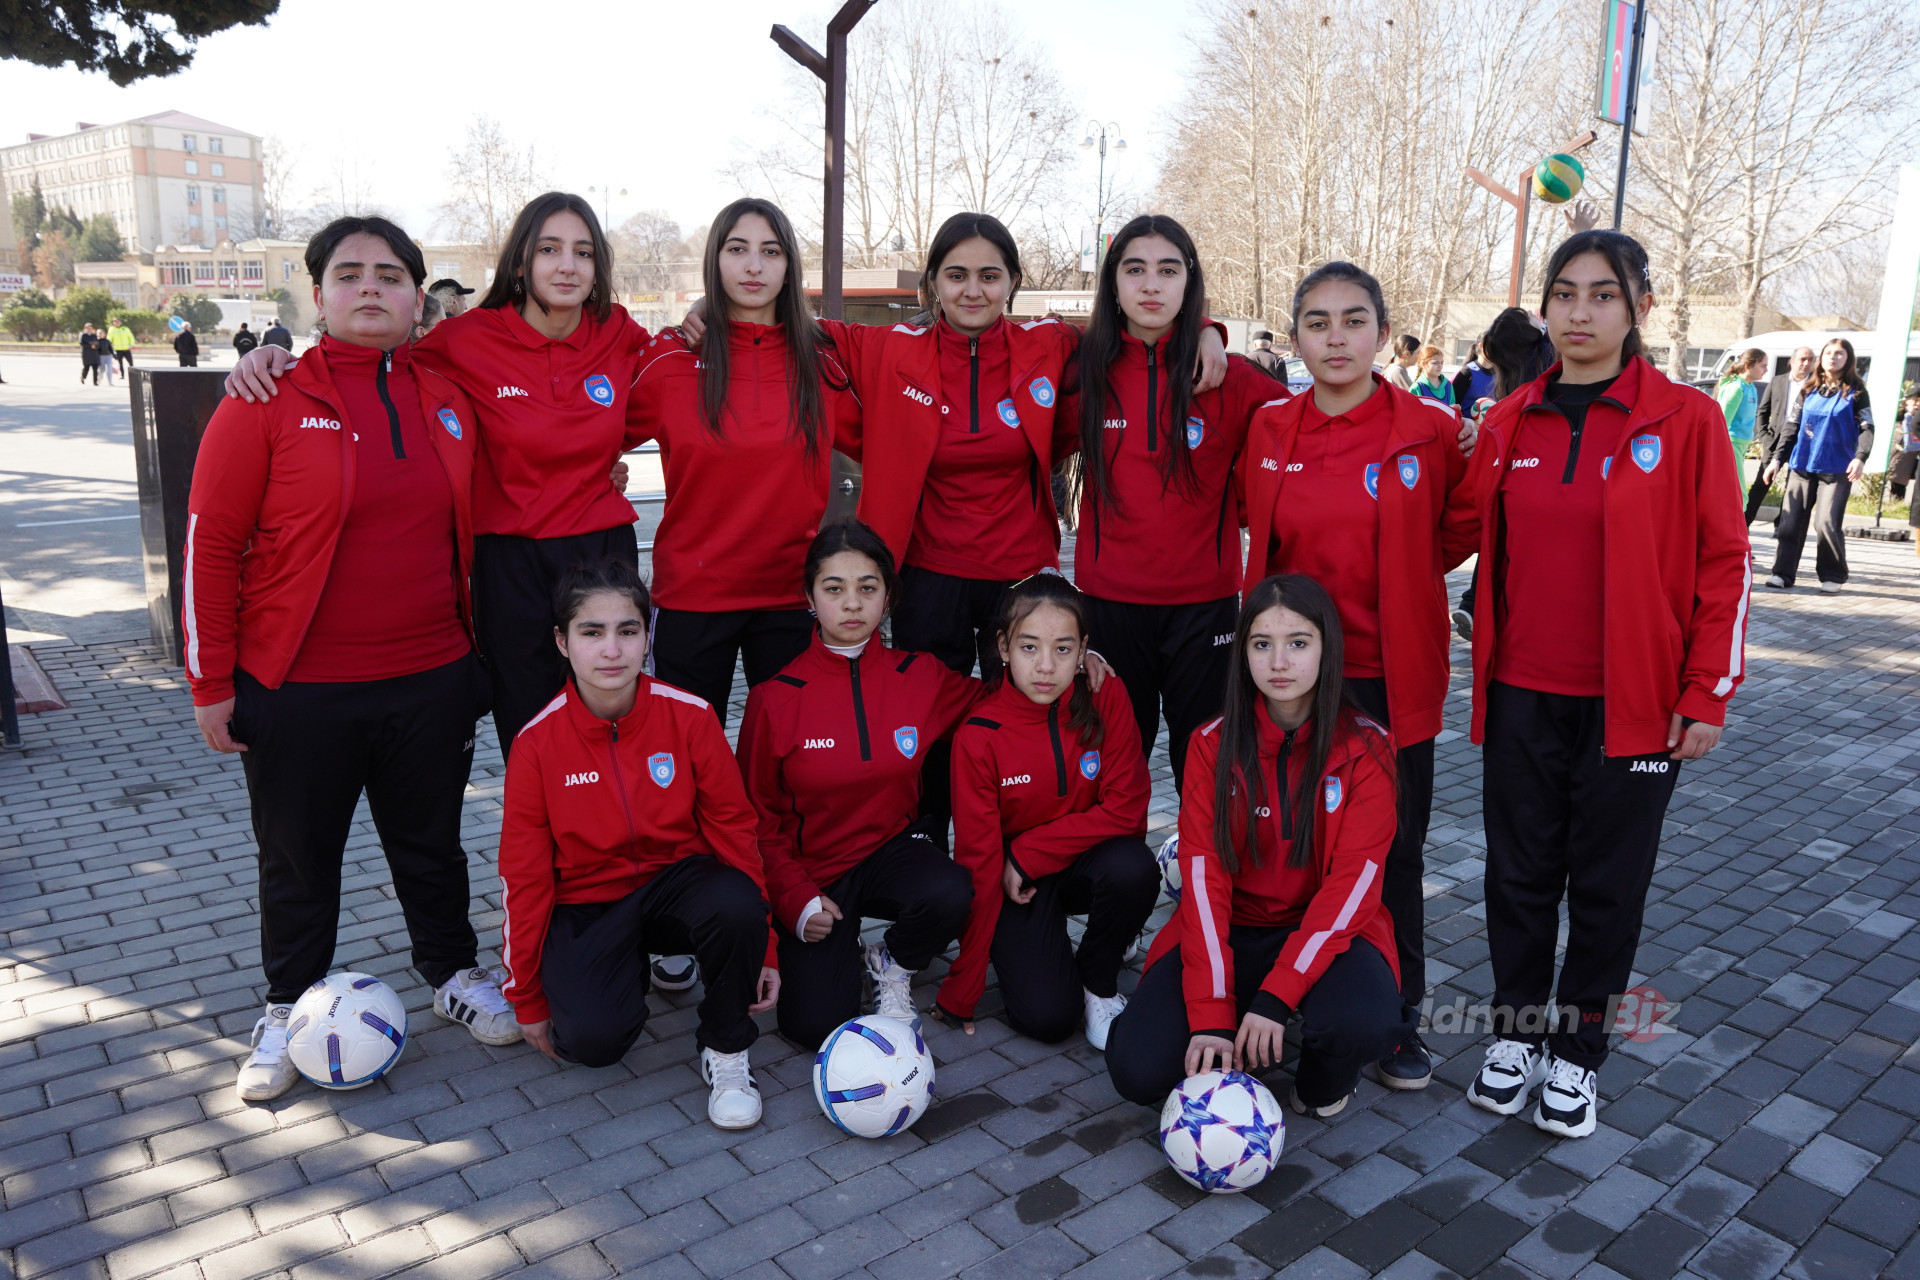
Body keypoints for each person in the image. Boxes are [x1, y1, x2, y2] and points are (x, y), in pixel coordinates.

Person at [183, 215, 517, 1104]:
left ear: (418, 297)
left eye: (390, 275)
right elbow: (210, 545)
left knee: (432, 847)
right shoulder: (265, 398)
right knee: (297, 859)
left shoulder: (446, 392)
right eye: (349, 273)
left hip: (433, 679)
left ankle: (452, 973)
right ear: (319, 294)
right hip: (298, 690)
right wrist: (210, 683)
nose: (371, 287)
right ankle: (287, 1005)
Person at [1459, 229, 1748, 1138]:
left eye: (1602, 295)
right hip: (1521, 694)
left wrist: (1705, 692)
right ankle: (1515, 1036)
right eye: (1564, 294)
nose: (1579, 313)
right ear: (1544, 307)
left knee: (1608, 890)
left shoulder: (1686, 420)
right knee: (1518, 878)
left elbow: (1724, 563)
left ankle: (1578, 1054)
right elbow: (1453, 527)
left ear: (1639, 309)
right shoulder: (1509, 420)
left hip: (1636, 708)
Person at [1238, 260, 1477, 1091]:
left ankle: (1399, 1018)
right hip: (1289, 676)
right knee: (1287, 837)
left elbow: (1460, 527)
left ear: (1382, 332)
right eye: (1317, 322)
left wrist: (1406, 575)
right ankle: (1286, 990)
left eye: (1353, 321)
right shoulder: (1270, 427)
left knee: (1393, 854)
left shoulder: (1433, 429)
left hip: (1388, 677)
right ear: (1295, 336)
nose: (1335, 338)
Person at [1106, 574, 1414, 1117]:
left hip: (1324, 931)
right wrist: (1211, 1013)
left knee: (1362, 1025)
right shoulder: (1211, 745)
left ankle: (1321, 1079)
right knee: (1136, 1069)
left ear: (1327, 648)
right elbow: (1202, 883)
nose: (1279, 662)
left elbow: (1353, 887)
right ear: (1243, 652)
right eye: (1262, 643)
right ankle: (1241, 1018)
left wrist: (1277, 996)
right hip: (1234, 927)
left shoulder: (1369, 747)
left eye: (1298, 642)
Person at [499, 558, 778, 1127]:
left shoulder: (691, 717)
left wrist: (764, 944)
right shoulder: (535, 744)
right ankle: (621, 968)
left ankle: (725, 1048)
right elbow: (523, 877)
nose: (611, 650)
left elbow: (735, 832)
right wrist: (525, 995)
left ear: (647, 637)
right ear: (562, 642)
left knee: (734, 902)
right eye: (591, 632)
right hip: (588, 902)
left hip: (675, 886)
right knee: (592, 1043)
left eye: (627, 631)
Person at [739, 521, 977, 1049]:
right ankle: (836, 954)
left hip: (893, 850)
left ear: (888, 598)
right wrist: (796, 899)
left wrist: (1077, 666)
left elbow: (1003, 707)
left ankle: (892, 961)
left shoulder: (921, 676)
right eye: (834, 588)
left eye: (868, 588)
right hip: (816, 873)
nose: (852, 603)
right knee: (813, 1027)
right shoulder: (773, 699)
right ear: (809, 597)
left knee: (951, 890)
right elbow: (755, 819)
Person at [1067, 214, 1277, 793]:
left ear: (1190, 281)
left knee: (1208, 769)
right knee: (1113, 769)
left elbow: (1315, 424)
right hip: (1109, 607)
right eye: (1135, 270)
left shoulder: (1229, 376)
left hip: (1204, 609)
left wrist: (1443, 427)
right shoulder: (1083, 371)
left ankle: (1202, 855)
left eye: (1168, 270)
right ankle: (1119, 857)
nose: (1151, 285)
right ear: (1113, 282)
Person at [627, 198, 859, 712]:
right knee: (690, 749)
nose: (754, 266)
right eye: (737, 249)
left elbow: (892, 448)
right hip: (692, 598)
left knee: (792, 749)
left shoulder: (823, 364)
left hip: (791, 598)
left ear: (789, 266)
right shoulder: (669, 359)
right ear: (715, 260)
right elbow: (588, 435)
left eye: (770, 251)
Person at [932, 574, 1155, 1048]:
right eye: (1029, 647)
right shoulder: (979, 735)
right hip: (1016, 885)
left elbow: (1128, 811)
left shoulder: (1106, 694)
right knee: (1048, 1019)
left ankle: (1098, 979)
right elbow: (977, 861)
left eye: (1063, 649)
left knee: (1134, 866)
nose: (1046, 667)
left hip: (1075, 860)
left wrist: (1029, 851)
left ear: (1084, 651)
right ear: (1004, 647)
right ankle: (1050, 964)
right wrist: (962, 989)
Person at [1451, 308, 1557, 641]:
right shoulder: (1505, 416)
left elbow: (1467, 515)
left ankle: (1474, 601)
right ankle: (1475, 601)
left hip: (1525, 565)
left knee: (1495, 529)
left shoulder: (1507, 415)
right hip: (1538, 584)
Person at [1764, 338, 1873, 594]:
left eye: (1839, 353)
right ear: (1821, 358)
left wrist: (1860, 457)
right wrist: (1777, 459)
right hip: (1802, 466)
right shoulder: (1807, 389)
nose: (1833, 357)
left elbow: (1867, 427)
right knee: (1790, 523)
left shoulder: (1857, 392)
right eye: (1828, 353)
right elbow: (1791, 426)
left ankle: (1833, 574)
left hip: (1836, 469)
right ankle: (1782, 573)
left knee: (1826, 523)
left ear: (1848, 359)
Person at [1749, 346, 1814, 524]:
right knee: (1762, 483)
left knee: (1792, 486)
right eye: (1802, 359)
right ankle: (1745, 521)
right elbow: (1762, 411)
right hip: (1775, 440)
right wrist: (1764, 435)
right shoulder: (1778, 381)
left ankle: (1782, 524)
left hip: (1801, 442)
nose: (1806, 363)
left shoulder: (1815, 384)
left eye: (1810, 359)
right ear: (1791, 362)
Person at [1715, 348, 1767, 503]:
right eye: (1762, 365)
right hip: (1731, 443)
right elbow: (1722, 422)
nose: (1766, 370)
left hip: (1742, 443)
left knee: (1732, 488)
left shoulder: (1750, 387)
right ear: (1748, 366)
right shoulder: (1736, 387)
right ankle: (1740, 517)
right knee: (1740, 492)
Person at [1451, 341, 1497, 409]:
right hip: (1467, 415)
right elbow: (1453, 403)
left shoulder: (1502, 374)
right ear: (1481, 346)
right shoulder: (1466, 372)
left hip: (1494, 416)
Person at [1410, 344, 1458, 409]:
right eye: (1435, 363)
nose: (1440, 366)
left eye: (1441, 363)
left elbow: (1452, 411)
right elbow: (1411, 412)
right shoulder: (1417, 387)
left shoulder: (1448, 385)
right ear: (1423, 364)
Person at [1891, 394, 1920, 502]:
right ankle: (1895, 503)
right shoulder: (1900, 411)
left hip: (1911, 453)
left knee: (1901, 481)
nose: (1917, 404)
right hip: (1901, 451)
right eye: (1915, 400)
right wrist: (1908, 412)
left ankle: (1898, 503)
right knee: (1897, 480)